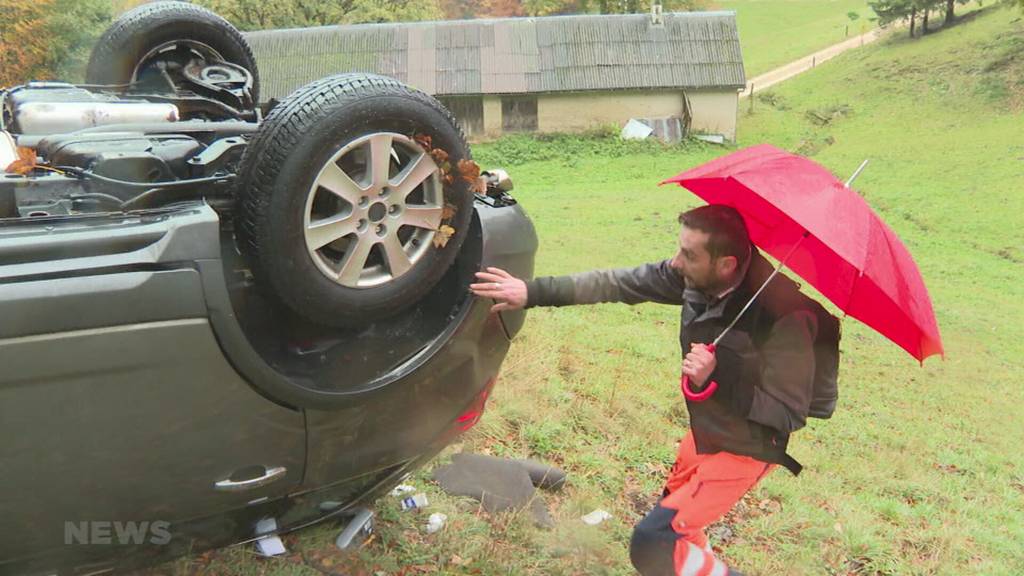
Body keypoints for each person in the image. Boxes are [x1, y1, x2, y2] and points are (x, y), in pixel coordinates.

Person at [470, 204, 829, 576]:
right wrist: (530, 291)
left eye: (688, 255)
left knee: (655, 542)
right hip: (705, 433)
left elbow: (787, 414)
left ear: (726, 265)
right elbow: (617, 282)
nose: (674, 263)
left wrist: (718, 380)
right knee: (680, 533)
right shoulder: (694, 277)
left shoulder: (786, 319)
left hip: (746, 449)